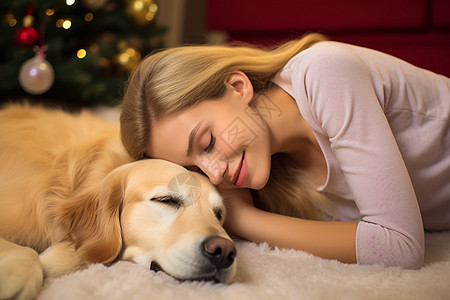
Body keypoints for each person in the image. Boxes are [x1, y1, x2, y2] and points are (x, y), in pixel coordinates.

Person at [120, 33, 450, 269]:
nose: (214, 173)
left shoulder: (324, 73)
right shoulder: (272, 171)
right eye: (195, 167)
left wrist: (247, 219)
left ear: (238, 88)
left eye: (206, 143)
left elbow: (400, 247)